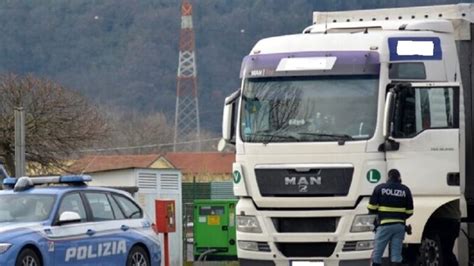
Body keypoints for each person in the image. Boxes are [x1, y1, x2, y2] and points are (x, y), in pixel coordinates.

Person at [367, 169, 414, 266]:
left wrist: (381, 214)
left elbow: (371, 208)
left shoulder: (380, 188)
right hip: (399, 227)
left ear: (388, 177)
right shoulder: (405, 190)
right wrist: (399, 216)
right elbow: (410, 211)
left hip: (384, 225)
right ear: (399, 178)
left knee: (377, 254)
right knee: (396, 256)